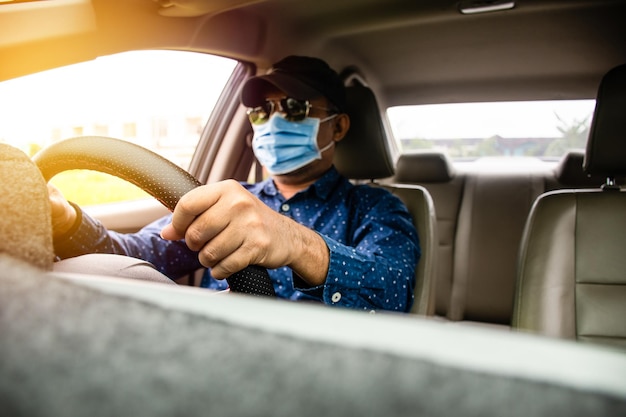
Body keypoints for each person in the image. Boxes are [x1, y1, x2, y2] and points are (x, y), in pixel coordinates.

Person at [49, 56, 421, 312]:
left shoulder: (376, 206)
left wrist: (295, 243)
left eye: (294, 108)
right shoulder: (233, 200)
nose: (273, 122)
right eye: (262, 113)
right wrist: (63, 219)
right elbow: (135, 256)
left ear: (338, 126)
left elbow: (393, 291)